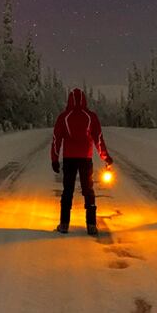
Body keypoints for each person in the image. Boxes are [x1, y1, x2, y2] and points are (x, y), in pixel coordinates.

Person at [51, 88, 113, 235]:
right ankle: (91, 224)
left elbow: (56, 140)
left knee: (68, 190)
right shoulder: (90, 117)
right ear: (84, 100)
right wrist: (105, 157)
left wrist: (54, 159)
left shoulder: (64, 117)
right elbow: (98, 140)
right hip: (86, 158)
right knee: (88, 190)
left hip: (69, 159)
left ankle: (64, 223)